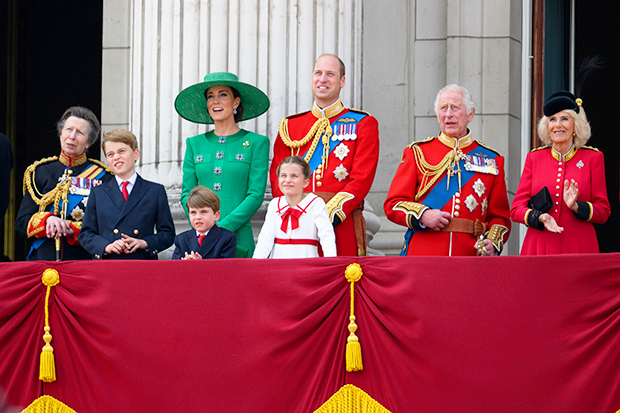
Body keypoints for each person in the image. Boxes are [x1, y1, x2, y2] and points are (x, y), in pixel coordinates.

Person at [270, 54, 379, 256]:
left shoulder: (363, 123)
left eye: (330, 74)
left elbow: (362, 179)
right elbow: (278, 176)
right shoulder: (290, 126)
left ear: (342, 81)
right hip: (294, 224)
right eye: (318, 73)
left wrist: (325, 215)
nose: (323, 79)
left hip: (340, 223)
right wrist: (296, 211)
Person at [384, 84, 511, 256]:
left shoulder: (492, 160)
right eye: (443, 108)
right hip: (423, 255)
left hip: (469, 257)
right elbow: (393, 204)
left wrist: (493, 243)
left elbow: (500, 217)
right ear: (438, 115)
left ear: (470, 114)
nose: (448, 114)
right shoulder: (417, 152)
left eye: (455, 107)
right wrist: (423, 215)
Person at [175, 72, 270, 258]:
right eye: (210, 96)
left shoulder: (257, 143)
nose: (215, 101)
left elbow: (256, 194)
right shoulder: (194, 144)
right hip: (200, 238)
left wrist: (221, 228)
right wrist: (202, 225)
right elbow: (187, 193)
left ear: (236, 102)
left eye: (223, 94)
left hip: (238, 235)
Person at [510, 91, 610, 254]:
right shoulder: (534, 158)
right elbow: (516, 209)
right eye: (552, 120)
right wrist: (541, 217)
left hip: (579, 247)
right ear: (547, 127)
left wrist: (577, 206)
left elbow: (603, 211)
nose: (557, 125)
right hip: (540, 247)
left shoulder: (593, 158)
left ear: (575, 126)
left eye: (564, 119)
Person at [15, 106, 112, 260]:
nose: (72, 136)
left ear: (88, 142)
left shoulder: (103, 177)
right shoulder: (40, 171)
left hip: (83, 261)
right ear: (61, 134)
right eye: (68, 129)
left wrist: (72, 229)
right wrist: (47, 220)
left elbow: (108, 228)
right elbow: (21, 223)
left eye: (80, 132)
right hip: (43, 260)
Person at [79, 129, 175, 259]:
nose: (116, 157)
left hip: (141, 264)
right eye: (110, 154)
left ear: (136, 154)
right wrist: (107, 246)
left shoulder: (155, 191)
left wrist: (144, 243)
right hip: (107, 266)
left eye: (121, 151)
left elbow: (168, 234)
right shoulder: (98, 193)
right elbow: (86, 234)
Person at [254, 156, 336, 258]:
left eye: (294, 176)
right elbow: (265, 239)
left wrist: (331, 261)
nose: (288, 180)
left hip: (307, 263)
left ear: (305, 182)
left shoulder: (316, 204)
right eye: (283, 175)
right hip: (278, 265)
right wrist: (256, 264)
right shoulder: (275, 204)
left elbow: (327, 236)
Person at [172, 185, 236, 259]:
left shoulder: (227, 238)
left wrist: (201, 264)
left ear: (216, 215)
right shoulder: (181, 239)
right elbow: (173, 268)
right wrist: (184, 265)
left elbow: (227, 268)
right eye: (193, 212)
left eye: (203, 212)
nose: (198, 217)